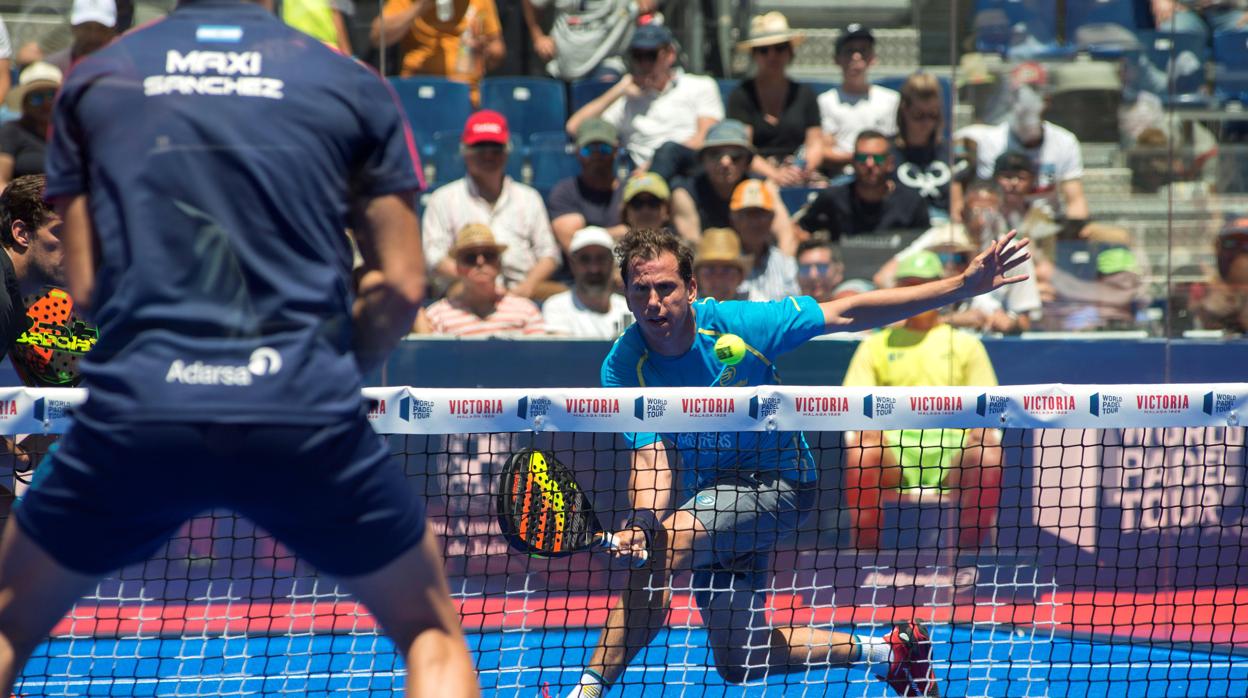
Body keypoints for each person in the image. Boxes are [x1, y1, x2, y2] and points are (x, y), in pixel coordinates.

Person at [2, 0, 480, 695]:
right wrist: (321, 371)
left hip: (143, 408)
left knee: (8, 624)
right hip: (299, 404)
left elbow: (86, 284)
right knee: (432, 633)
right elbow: (403, 284)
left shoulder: (97, 78)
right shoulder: (348, 81)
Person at [567, 224, 1032, 698]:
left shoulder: (741, 326)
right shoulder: (623, 365)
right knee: (742, 660)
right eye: (640, 289)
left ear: (690, 287)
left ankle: (585, 691)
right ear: (625, 295)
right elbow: (649, 456)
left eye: (665, 287)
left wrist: (963, 287)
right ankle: (891, 653)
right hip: (710, 498)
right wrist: (643, 519)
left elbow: (846, 311)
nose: (653, 301)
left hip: (779, 483)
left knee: (662, 551)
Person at [842, 250, 1003, 552]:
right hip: (894, 455)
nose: (916, 293)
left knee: (988, 455)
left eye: (923, 284)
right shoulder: (875, 345)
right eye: (908, 285)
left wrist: (983, 433)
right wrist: (867, 432)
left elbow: (990, 410)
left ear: (939, 286)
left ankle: (969, 563)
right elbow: (855, 407)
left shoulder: (966, 345)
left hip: (954, 453)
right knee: (863, 453)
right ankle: (864, 563)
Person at [422, 110, 561, 299]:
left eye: (495, 148)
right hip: (463, 291)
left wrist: (527, 287)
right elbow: (433, 256)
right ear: (465, 152)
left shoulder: (529, 197)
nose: (488, 155)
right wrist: (477, 280)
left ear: (507, 152)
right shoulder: (443, 198)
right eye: (480, 147)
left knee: (566, 297)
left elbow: (549, 254)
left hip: (523, 290)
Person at [881, 180, 1042, 334]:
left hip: (993, 341)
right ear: (963, 213)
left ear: (1001, 214)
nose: (982, 220)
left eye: (989, 213)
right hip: (938, 336)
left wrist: (1008, 323)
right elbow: (884, 277)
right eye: (975, 212)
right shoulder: (942, 238)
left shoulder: (1013, 251)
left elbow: (1025, 321)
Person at [565, 23, 723, 171]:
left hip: (688, 170)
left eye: (650, 55)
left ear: (670, 55)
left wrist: (655, 165)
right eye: (637, 56)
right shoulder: (626, 101)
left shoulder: (700, 85)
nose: (644, 64)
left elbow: (705, 138)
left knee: (669, 152)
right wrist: (619, 89)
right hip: (644, 184)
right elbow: (574, 127)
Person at [955, 62, 1090, 224]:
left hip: (1048, 226)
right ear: (1010, 99)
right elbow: (986, 197)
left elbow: (1075, 201)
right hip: (1001, 228)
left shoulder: (1065, 141)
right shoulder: (991, 141)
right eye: (1018, 92)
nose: (1025, 98)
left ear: (1046, 99)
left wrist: (1072, 232)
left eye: (1033, 90)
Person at [727, 12, 824, 186]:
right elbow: (742, 147)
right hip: (756, 174)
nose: (772, 56)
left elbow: (815, 143)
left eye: (779, 48)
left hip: (799, 170)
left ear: (790, 52)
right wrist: (774, 174)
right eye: (764, 50)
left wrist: (801, 169)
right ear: (754, 55)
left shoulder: (805, 93)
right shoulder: (741, 95)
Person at [670, 120, 796, 252]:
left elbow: (786, 236)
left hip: (756, 265)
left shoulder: (763, 187)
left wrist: (784, 269)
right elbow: (693, 246)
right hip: (707, 266)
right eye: (715, 154)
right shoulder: (685, 192)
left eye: (735, 156)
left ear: (747, 161)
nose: (725, 162)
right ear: (703, 160)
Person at [417, 223, 546, 336]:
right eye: (470, 258)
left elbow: (540, 359)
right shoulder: (437, 315)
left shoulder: (526, 311)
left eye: (489, 256)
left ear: (499, 265)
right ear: (458, 268)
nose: (480, 262)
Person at [799, 130, 929, 241]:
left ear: (890, 163)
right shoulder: (832, 198)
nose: (870, 164)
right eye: (862, 158)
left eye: (877, 159)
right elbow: (800, 230)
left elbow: (925, 245)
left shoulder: (912, 202)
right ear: (853, 161)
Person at [370, 0, 504, 106]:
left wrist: (484, 49)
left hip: (467, 95)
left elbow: (497, 48)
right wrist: (420, 6)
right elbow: (377, 36)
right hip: (420, 92)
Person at [818, 24, 900, 170]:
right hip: (841, 176)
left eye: (863, 50)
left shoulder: (891, 100)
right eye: (849, 51)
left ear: (873, 58)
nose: (856, 57)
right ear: (836, 59)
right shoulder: (825, 102)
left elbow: (894, 145)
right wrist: (860, 159)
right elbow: (824, 150)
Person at [521, 0, 655, 82]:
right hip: (562, 65)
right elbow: (531, 3)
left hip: (607, 62)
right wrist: (537, 36)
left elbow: (649, 7)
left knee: (606, 85)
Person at [548, 119, 626, 248]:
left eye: (604, 149)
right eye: (588, 150)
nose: (596, 155)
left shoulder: (631, 191)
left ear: (616, 150)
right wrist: (620, 232)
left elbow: (645, 236)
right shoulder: (564, 192)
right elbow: (573, 245)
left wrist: (584, 234)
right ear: (577, 152)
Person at [893, 72, 958, 222]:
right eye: (918, 115)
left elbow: (957, 208)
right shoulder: (888, 153)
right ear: (904, 111)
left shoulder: (949, 152)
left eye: (933, 115)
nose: (926, 123)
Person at [542, 226, 631, 338]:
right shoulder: (557, 307)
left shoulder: (628, 308)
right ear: (572, 264)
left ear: (612, 262)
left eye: (601, 258)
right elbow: (562, 353)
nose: (594, 268)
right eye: (585, 259)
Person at [729, 179, 798, 301]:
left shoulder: (785, 264)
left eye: (761, 214)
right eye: (749, 214)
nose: (755, 222)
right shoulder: (722, 265)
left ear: (772, 218)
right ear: (734, 219)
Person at [0, 62, 60, 188]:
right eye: (36, 98)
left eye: (51, 95)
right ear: (25, 103)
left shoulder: (72, 132)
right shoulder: (12, 131)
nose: (46, 104)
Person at [1196, 216, 1248, 333]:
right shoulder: (1204, 289)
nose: (1239, 255)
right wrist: (1206, 311)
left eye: (1246, 246)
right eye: (1230, 244)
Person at [45, 0, 118, 74]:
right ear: (73, 28)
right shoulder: (52, 70)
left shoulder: (125, 72)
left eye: (102, 29)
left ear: (113, 31)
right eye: (86, 28)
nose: (93, 36)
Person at [693, 227, 747, 302]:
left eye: (727, 270)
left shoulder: (757, 306)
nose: (718, 279)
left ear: (741, 277)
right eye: (710, 270)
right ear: (696, 277)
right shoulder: (684, 310)